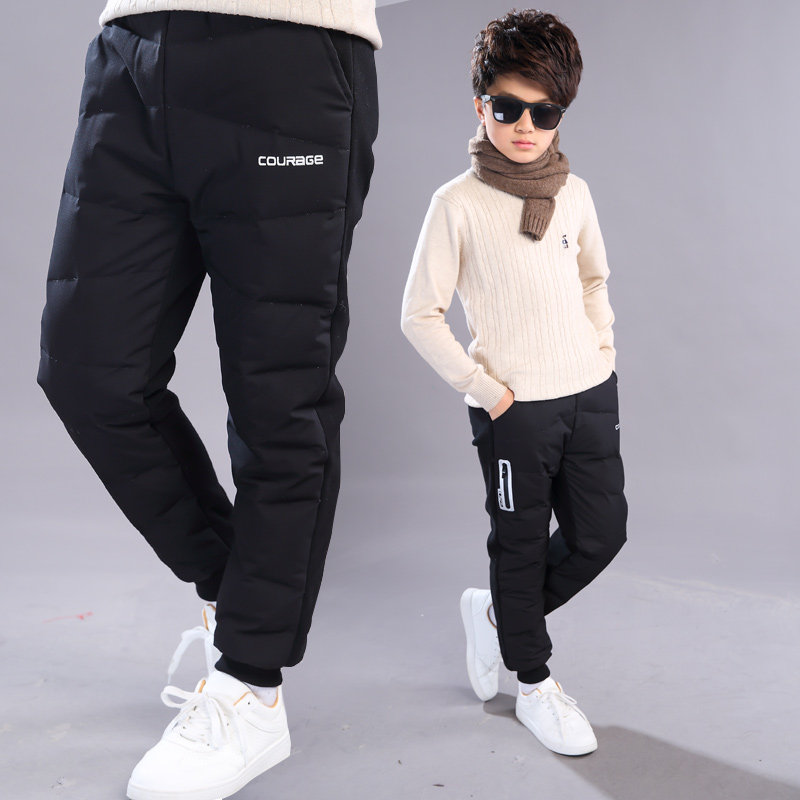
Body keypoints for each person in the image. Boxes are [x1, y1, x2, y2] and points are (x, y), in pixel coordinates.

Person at [36, 3, 380, 798]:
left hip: (289, 54)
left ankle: (252, 686)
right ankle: (243, 593)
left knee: (279, 398)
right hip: (131, 47)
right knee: (88, 372)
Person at [400, 8, 628, 756]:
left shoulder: (574, 192)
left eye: (545, 111)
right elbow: (419, 314)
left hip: (589, 392)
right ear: (481, 106)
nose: (526, 126)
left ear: (561, 112)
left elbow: (593, 277)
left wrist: (603, 350)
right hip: (514, 408)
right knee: (521, 546)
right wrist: (486, 389)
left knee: (601, 534)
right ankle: (533, 682)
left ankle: (499, 615)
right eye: (508, 108)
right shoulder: (457, 204)